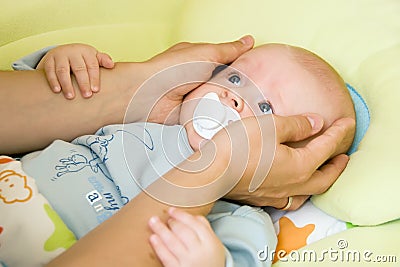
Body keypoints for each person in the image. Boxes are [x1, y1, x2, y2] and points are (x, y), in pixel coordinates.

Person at [0, 37, 355, 266]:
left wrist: (208, 261)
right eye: (234, 79)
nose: (235, 99)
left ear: (286, 171)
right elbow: (41, 112)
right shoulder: (141, 119)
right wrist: (69, 65)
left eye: (266, 111)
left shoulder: (238, 219)